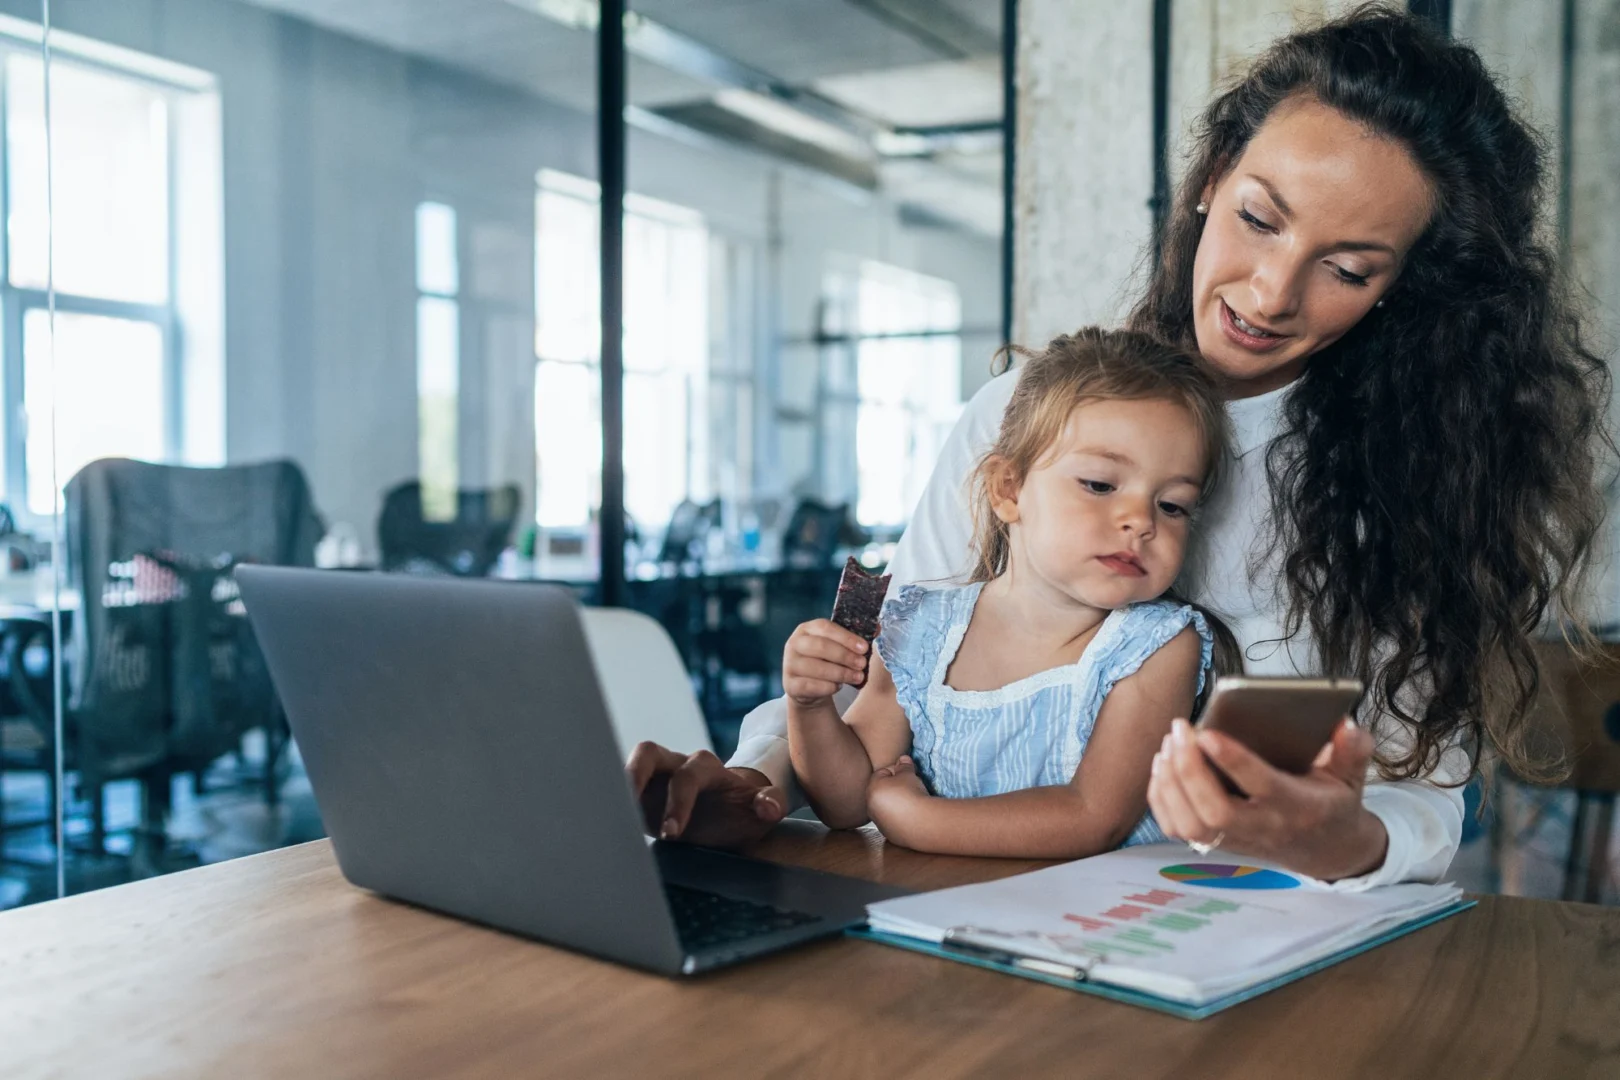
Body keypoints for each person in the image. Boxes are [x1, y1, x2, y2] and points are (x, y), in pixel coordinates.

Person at [627, 6, 1611, 885]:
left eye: (1347, 270)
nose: (1271, 293)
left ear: (1402, 288)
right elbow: (887, 685)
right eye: (1258, 219)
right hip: (967, 914)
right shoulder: (1022, 417)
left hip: (1244, 929)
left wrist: (1338, 836)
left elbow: (1420, 802)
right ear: (1211, 181)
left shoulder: (1406, 490)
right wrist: (756, 785)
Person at [784, 331, 1231, 858]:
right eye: (1100, 484)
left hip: (1101, 904)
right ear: (1009, 489)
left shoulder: (1155, 646)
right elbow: (847, 802)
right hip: (943, 901)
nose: (1141, 521)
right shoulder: (921, 632)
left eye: (1172, 505)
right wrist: (809, 707)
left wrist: (916, 819)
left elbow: (1094, 817)